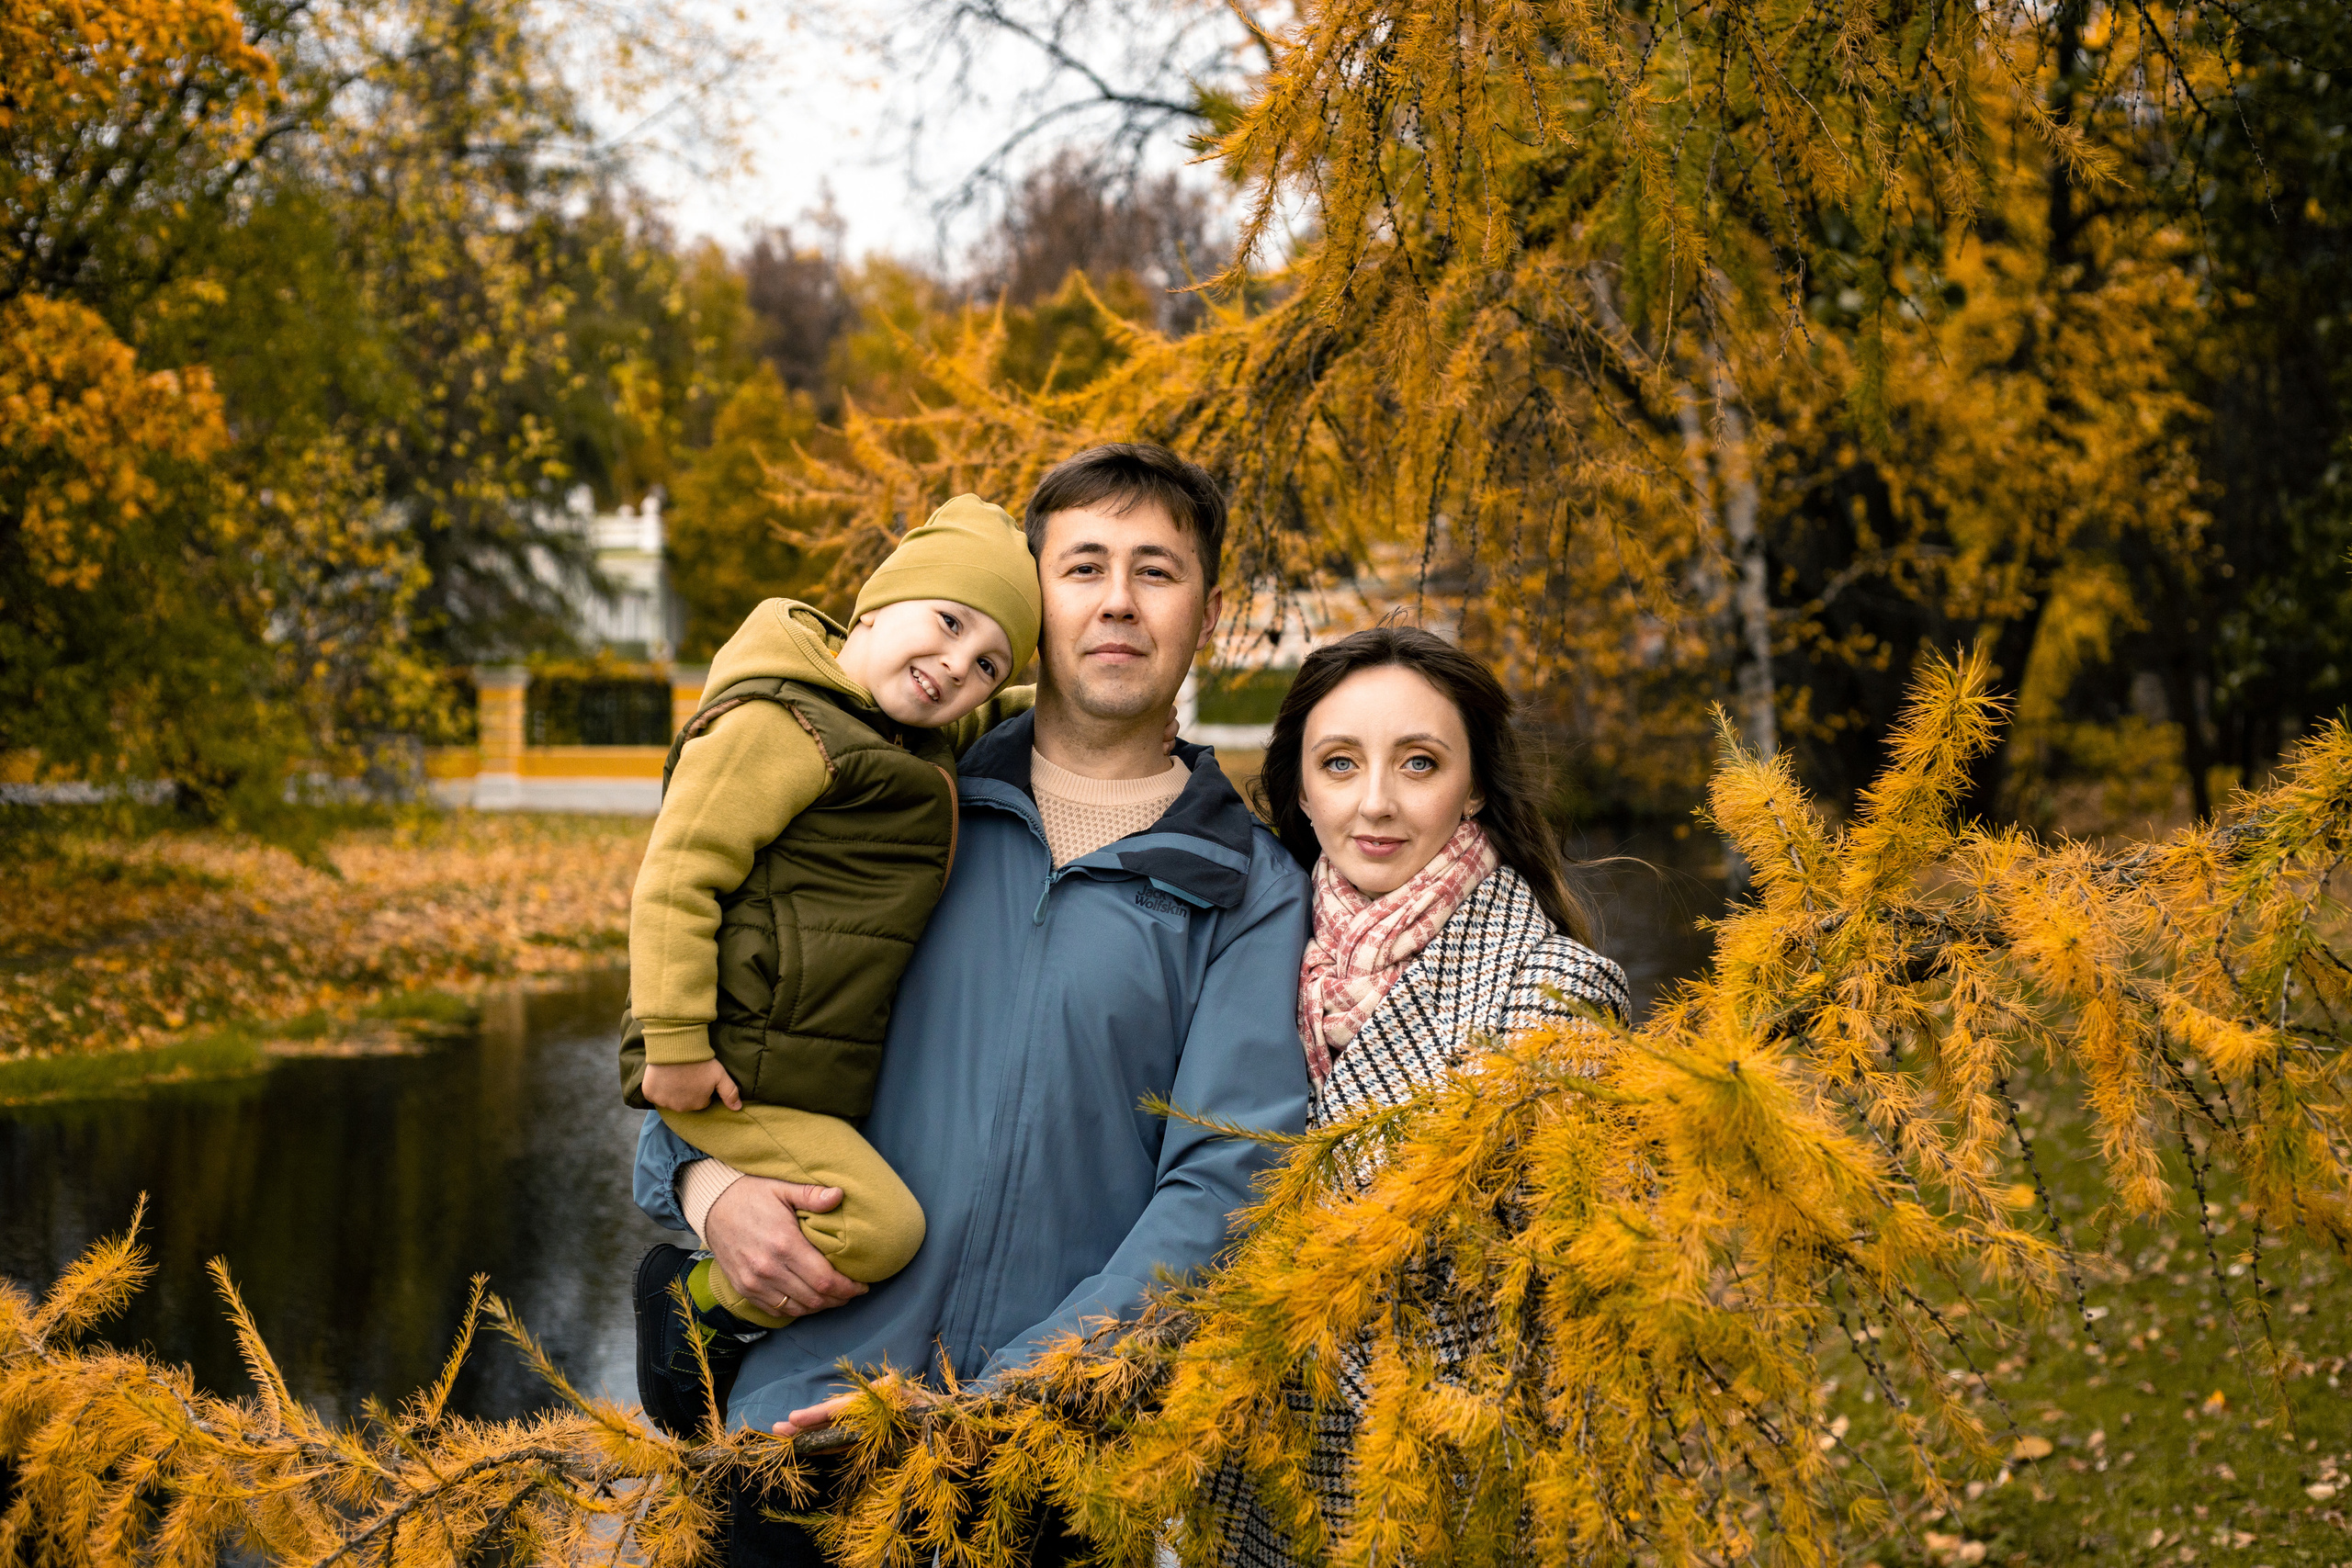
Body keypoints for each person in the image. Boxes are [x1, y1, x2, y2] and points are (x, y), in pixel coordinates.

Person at [628, 443, 1315, 1567]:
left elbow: (1219, 1189)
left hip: (1049, 1470)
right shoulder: (888, 800)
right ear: (1032, 597)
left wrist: (986, 1406)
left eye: (1156, 571)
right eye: (1082, 566)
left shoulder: (1246, 887)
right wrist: (709, 1194)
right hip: (795, 1430)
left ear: (1209, 609)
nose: (1117, 603)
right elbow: (728, 1018)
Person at [621, 494, 1044, 1438]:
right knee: (881, 1231)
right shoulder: (782, 724)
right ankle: (692, 1310)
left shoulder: (911, 736)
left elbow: (1008, 718)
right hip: (733, 1066)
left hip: (797, 1063)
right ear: (878, 601)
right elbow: (676, 879)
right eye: (946, 621)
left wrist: (1065, 697)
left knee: (854, 1222)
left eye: (988, 663)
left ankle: (722, 1318)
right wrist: (676, 1043)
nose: (955, 667)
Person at [1208, 625, 1631, 1566]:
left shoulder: (1552, 985)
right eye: (1339, 763)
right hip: (1244, 1490)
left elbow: (1525, 1295)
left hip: (1434, 1493)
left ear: (1473, 784)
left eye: (1420, 763)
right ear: (1300, 788)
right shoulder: (1245, 959)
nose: (1376, 803)